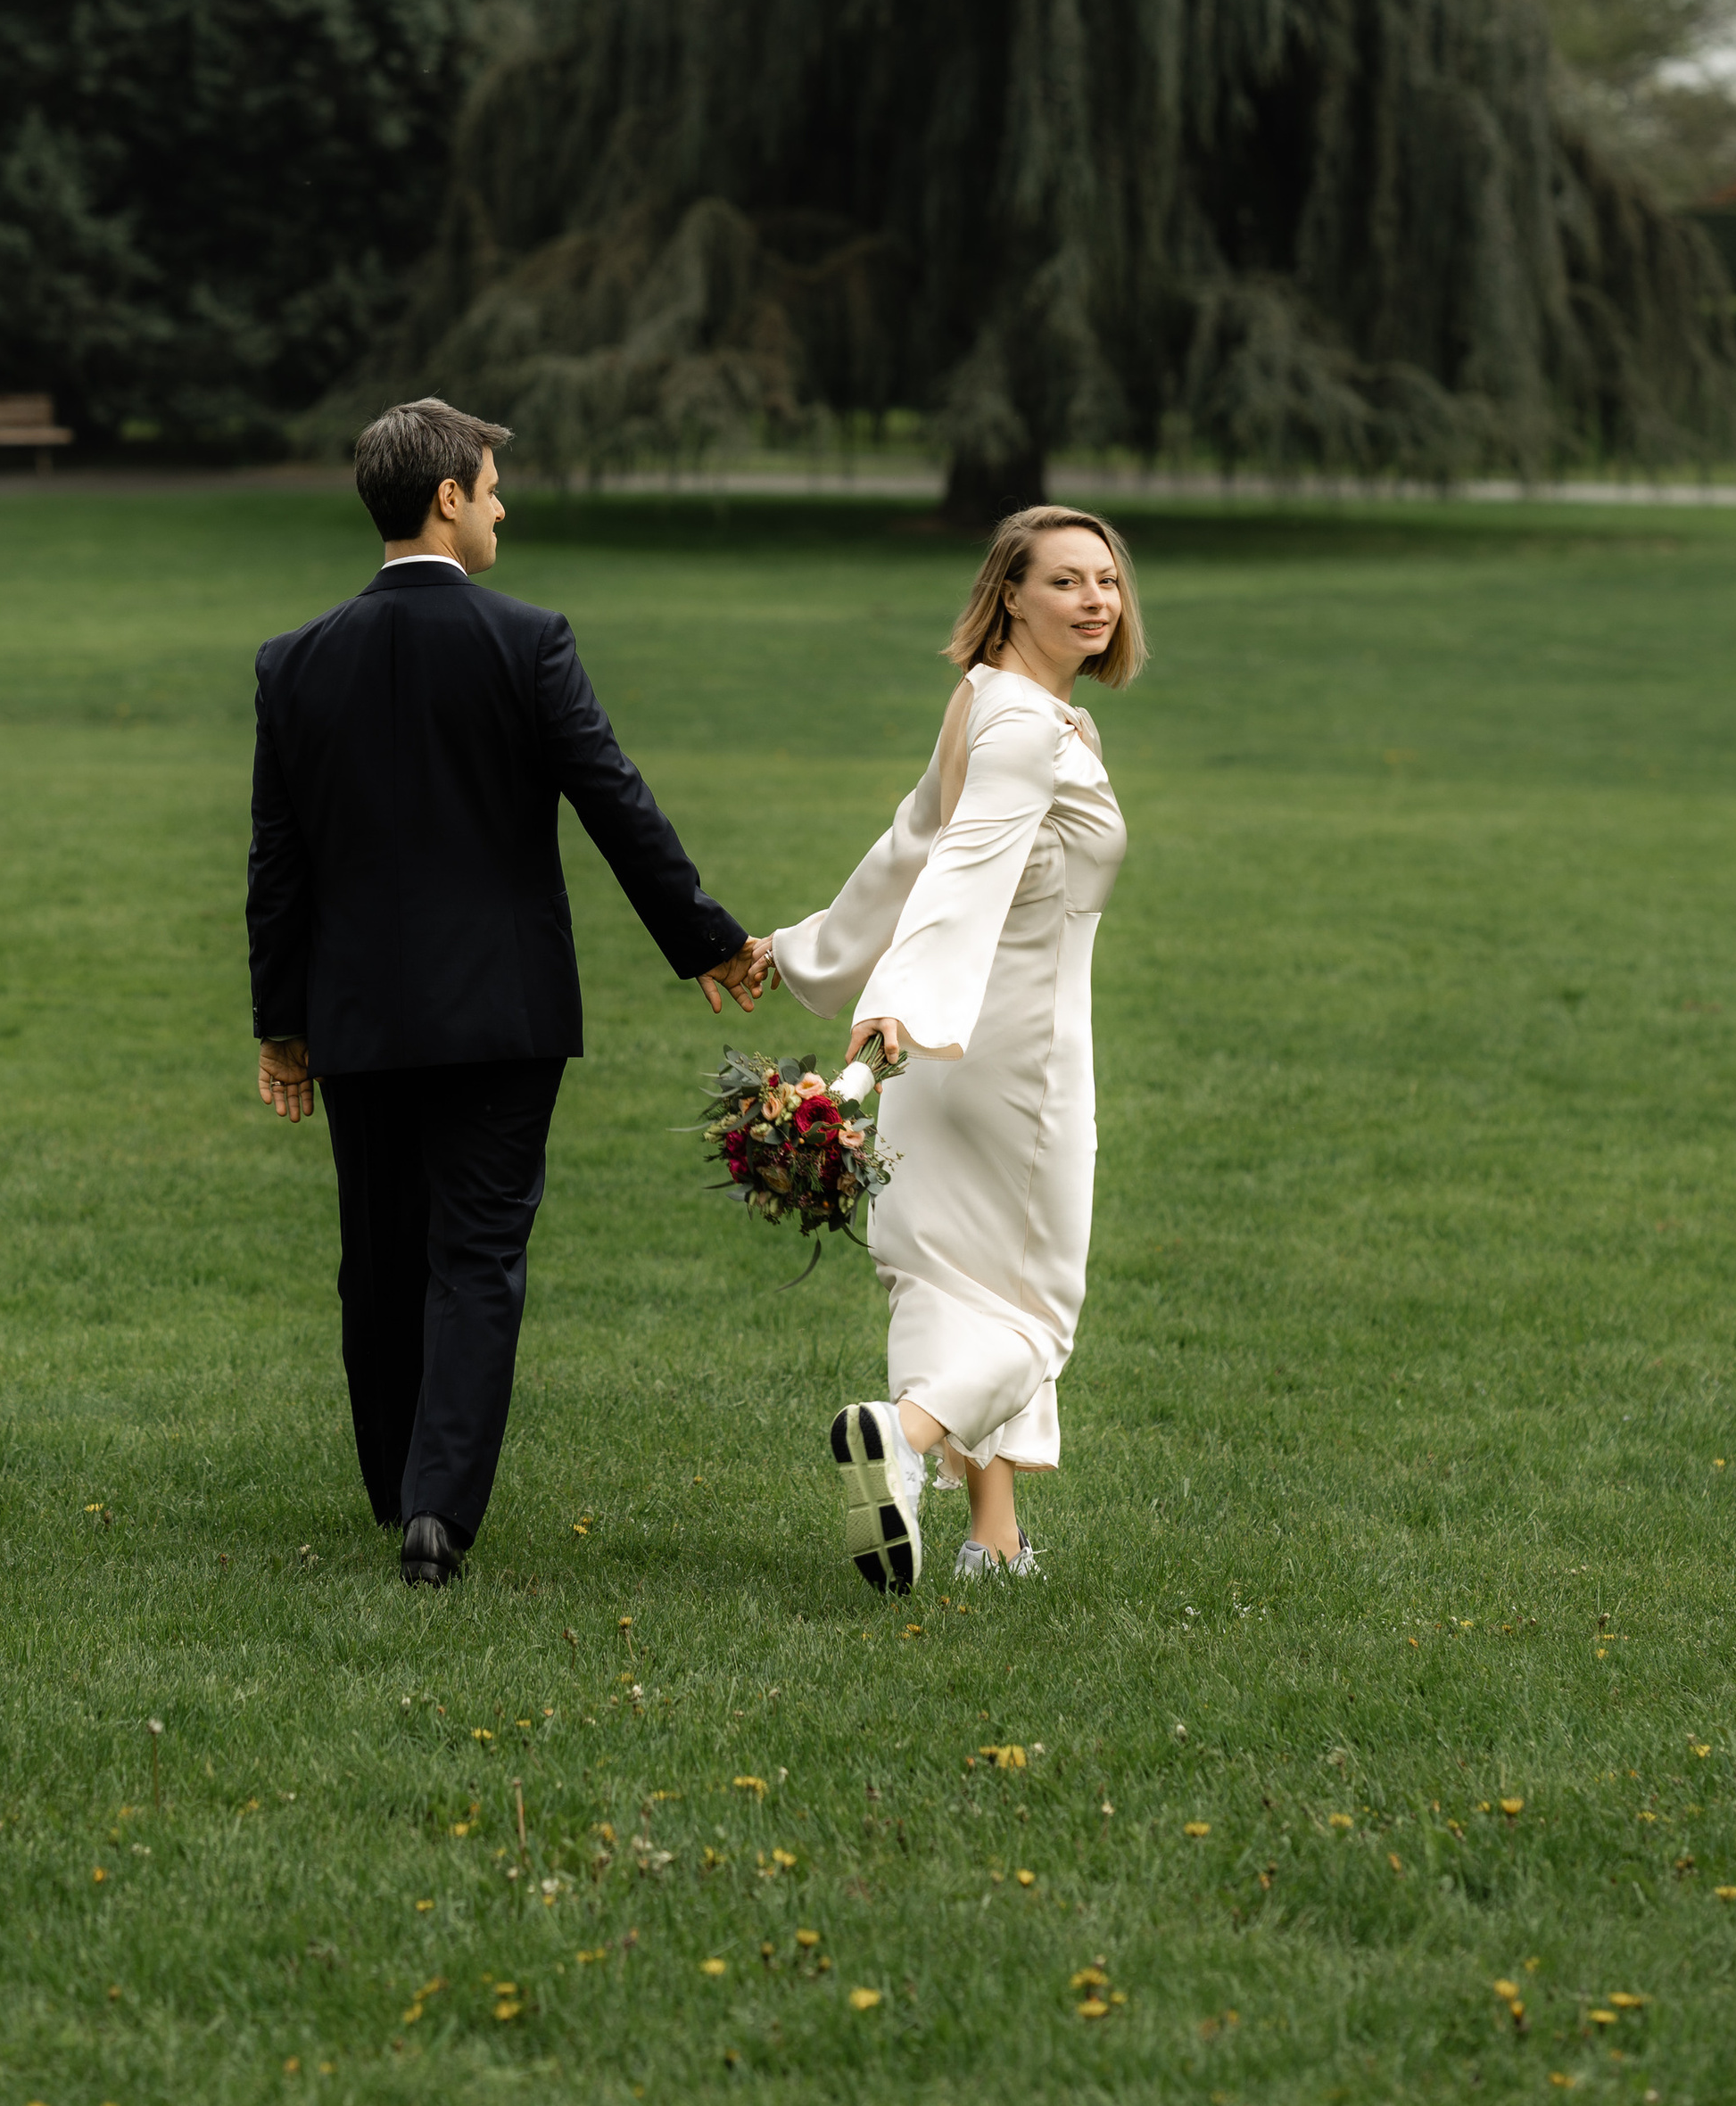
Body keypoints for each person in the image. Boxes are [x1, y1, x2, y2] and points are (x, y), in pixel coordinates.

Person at [248, 398, 768, 1590]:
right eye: (489, 488)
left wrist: (284, 1027)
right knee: (478, 1254)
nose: (500, 507)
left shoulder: (295, 663)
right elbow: (614, 800)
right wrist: (706, 940)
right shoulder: (527, 640)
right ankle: (439, 1511)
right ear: (446, 499)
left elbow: (277, 865)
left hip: (360, 1016)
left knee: (377, 1253)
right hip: (501, 1013)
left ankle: (395, 1486)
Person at [767, 509, 1141, 1589]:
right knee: (1034, 1315)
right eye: (1064, 580)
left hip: (935, 1057)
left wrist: (804, 957)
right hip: (1013, 1054)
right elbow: (958, 870)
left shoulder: (987, 704)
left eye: (1106, 581)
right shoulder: (1028, 728)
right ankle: (906, 1434)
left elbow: (907, 850)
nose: (1093, 600)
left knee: (952, 1279)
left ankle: (993, 1539)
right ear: (1009, 594)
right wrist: (900, 1001)